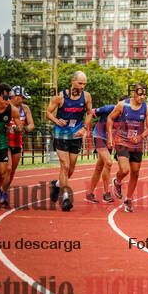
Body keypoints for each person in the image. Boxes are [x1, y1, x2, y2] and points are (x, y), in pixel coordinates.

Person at [46, 71, 92, 211]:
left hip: (76, 135)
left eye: (84, 84)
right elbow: (48, 112)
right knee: (65, 166)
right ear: (73, 81)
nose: (82, 86)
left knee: (71, 170)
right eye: (80, 83)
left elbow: (89, 113)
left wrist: (84, 128)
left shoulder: (86, 96)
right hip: (61, 135)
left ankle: (57, 184)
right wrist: (56, 120)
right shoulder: (60, 96)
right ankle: (65, 198)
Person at [107, 83, 148, 213]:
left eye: (144, 94)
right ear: (133, 93)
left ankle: (128, 199)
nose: (142, 97)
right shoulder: (123, 105)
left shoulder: (146, 108)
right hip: (122, 140)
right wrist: (110, 137)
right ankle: (117, 181)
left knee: (135, 172)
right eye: (140, 94)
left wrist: (141, 136)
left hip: (137, 143)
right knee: (125, 169)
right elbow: (110, 118)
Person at [84, 94, 127, 204]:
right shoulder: (108, 109)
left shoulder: (126, 115)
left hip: (110, 140)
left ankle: (89, 193)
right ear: (118, 104)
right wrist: (85, 128)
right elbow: (90, 112)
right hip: (99, 136)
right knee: (108, 162)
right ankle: (106, 193)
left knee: (99, 167)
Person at [0, 86, 34, 208]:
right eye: (22, 97)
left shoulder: (25, 108)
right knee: (7, 168)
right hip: (5, 142)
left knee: (12, 170)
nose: (24, 100)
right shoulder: (4, 106)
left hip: (18, 143)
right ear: (15, 96)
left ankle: (2, 192)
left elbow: (31, 125)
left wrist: (22, 129)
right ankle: (1, 193)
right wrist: (5, 129)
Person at [0, 84, 22, 210]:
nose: (7, 101)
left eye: (9, 98)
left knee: (3, 175)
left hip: (2, 145)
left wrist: (15, 128)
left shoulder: (13, 110)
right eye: (5, 98)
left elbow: (20, 127)